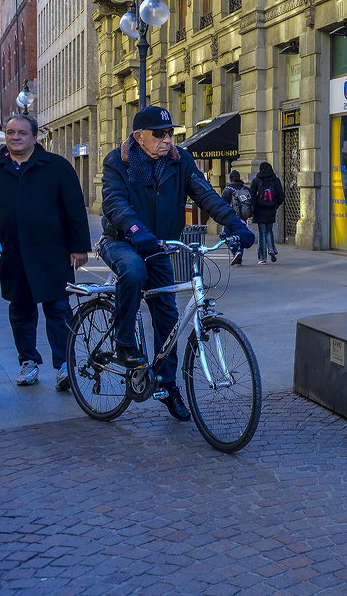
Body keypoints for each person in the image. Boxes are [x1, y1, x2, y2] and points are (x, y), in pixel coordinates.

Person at [100, 105, 255, 420]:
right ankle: (125, 342)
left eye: (170, 133)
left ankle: (169, 388)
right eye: (160, 134)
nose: (167, 139)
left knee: (168, 319)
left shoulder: (179, 160)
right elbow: (114, 201)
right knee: (132, 270)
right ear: (139, 136)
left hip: (159, 246)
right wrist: (136, 231)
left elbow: (206, 195)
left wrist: (235, 223)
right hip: (121, 240)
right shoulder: (118, 161)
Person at [0, 114, 91, 391]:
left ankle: (64, 366)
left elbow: (74, 208)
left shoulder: (56, 167)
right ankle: (28, 362)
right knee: (21, 311)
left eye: (22, 133)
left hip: (53, 254)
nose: (15, 137)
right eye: (11, 132)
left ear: (34, 137)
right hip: (14, 255)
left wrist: (79, 247)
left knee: (59, 311)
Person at [250, 161, 285, 265]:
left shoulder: (256, 180)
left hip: (260, 210)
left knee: (262, 233)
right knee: (269, 231)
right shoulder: (276, 180)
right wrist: (274, 206)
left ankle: (262, 258)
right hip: (271, 210)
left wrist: (254, 208)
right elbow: (280, 196)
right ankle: (271, 248)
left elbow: (251, 195)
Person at [221, 170, 250, 266]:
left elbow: (222, 204)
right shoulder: (244, 188)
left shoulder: (227, 190)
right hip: (242, 218)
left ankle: (235, 252)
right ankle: (239, 257)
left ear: (230, 178)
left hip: (231, 217)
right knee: (240, 236)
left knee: (225, 236)